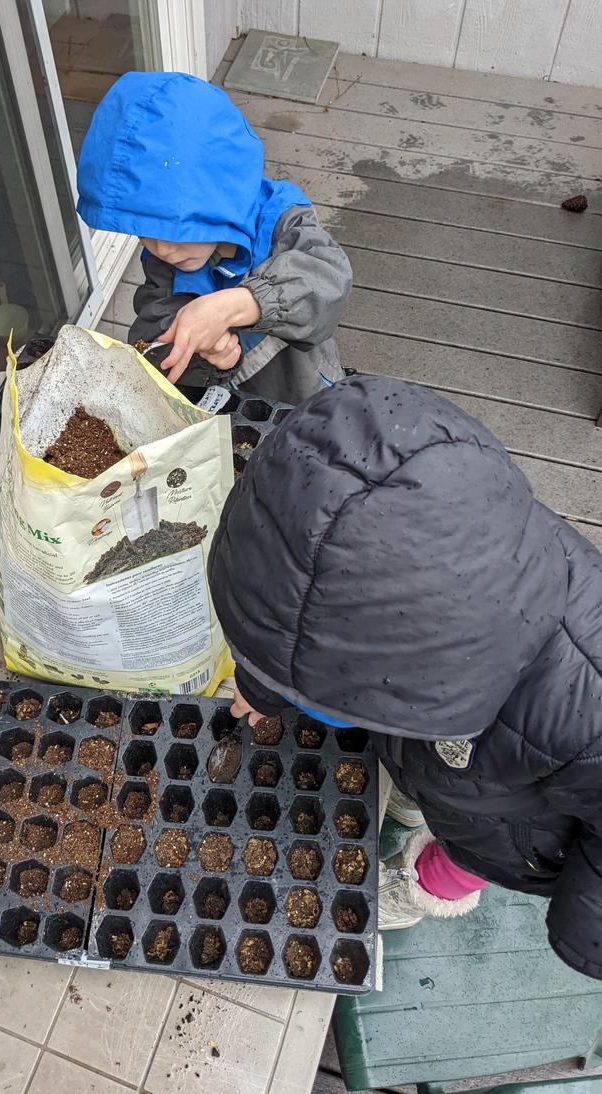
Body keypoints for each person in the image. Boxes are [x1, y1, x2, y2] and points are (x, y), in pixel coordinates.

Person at [207, 373, 602, 980]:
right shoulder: (441, 581)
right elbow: (297, 619)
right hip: (446, 759)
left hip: (514, 832)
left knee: (461, 855)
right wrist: (264, 683)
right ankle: (420, 802)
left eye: (331, 695)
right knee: (432, 777)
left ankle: (424, 890)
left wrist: (585, 926)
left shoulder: (586, 708)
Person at [76, 71, 352, 404]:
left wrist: (234, 306)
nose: (162, 247)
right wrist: (211, 356)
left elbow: (328, 280)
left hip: (308, 395)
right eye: (145, 232)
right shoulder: (167, 262)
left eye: (177, 231)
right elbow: (153, 335)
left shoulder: (280, 219)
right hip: (231, 407)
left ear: (218, 197)